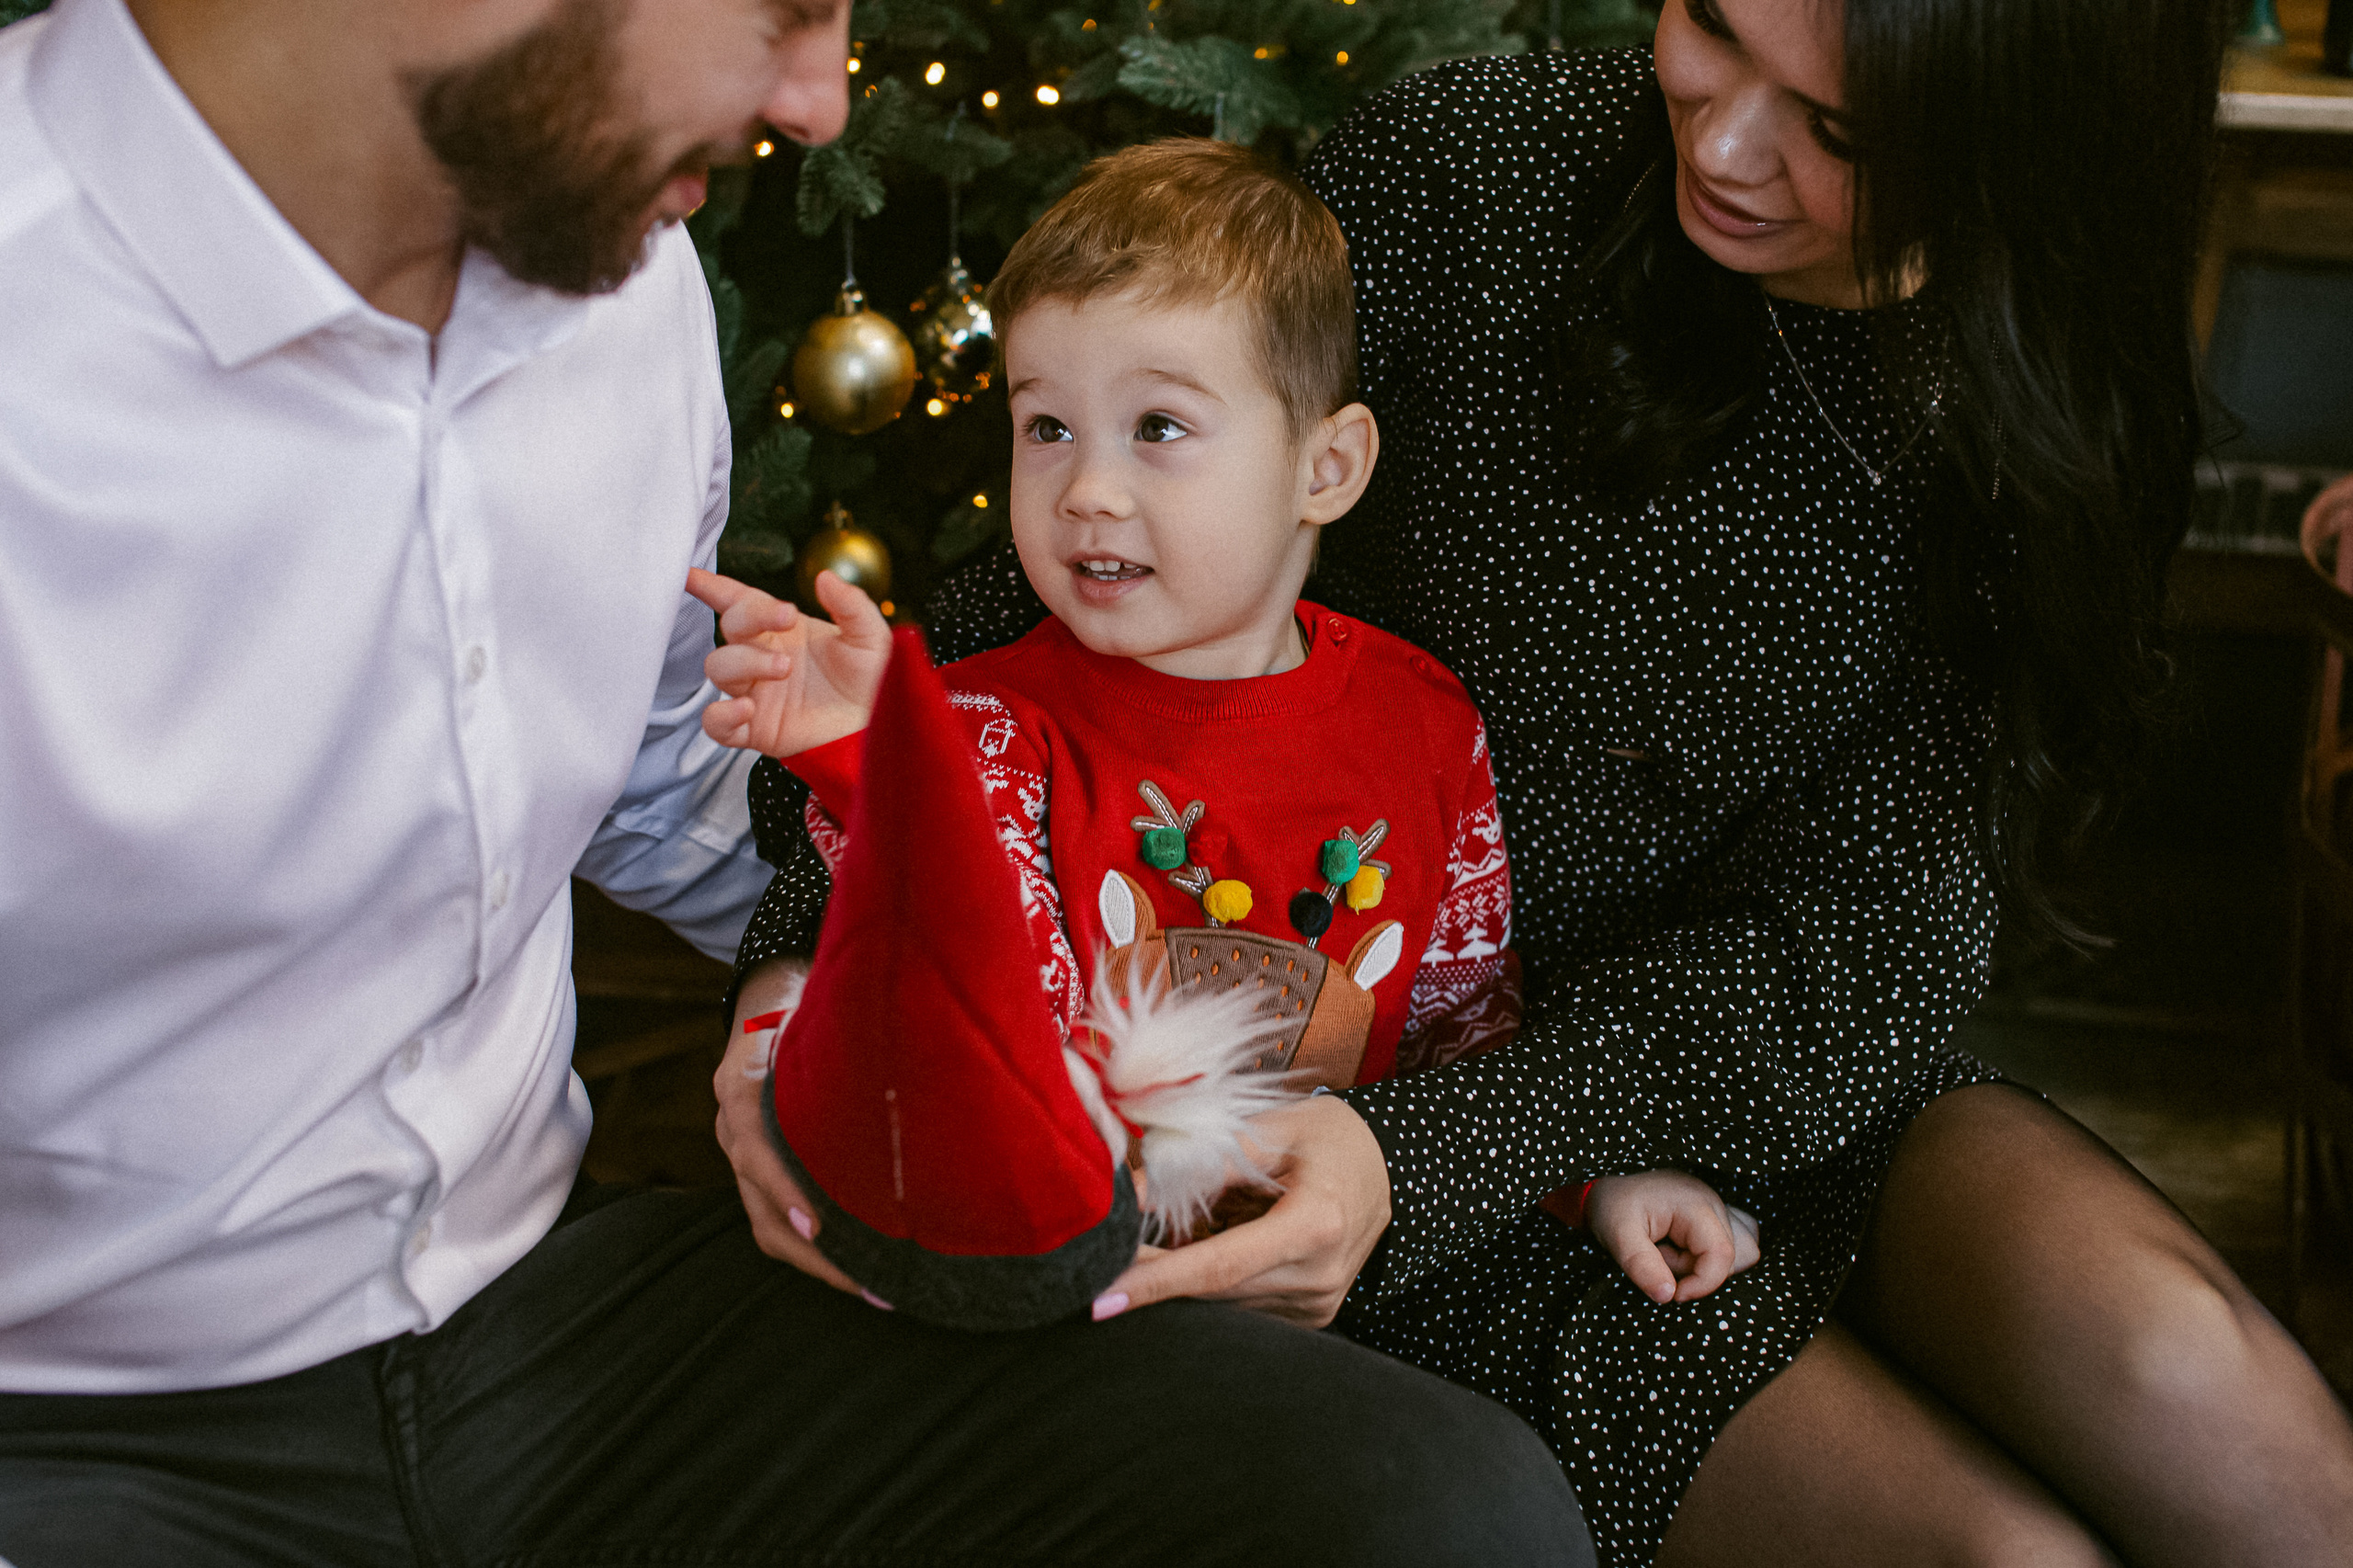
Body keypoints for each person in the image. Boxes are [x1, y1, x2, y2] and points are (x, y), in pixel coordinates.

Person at [736, 2, 2353, 1565]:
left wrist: (1521, 1126)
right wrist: (816, 989)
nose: (1720, 141)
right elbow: (980, 667)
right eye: (1712, 26)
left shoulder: (2030, 395)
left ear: (2024, 148)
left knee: (2203, 1375)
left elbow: (1887, 934)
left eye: (1838, 126)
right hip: (1340, 1133)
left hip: (1719, 1075)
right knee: (1997, 1555)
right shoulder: (1474, 175)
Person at [0, 2, 1595, 1564]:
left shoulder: (621, 285)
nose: (821, 101)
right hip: (78, 1414)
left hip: (559, 1321)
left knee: (1430, 1504)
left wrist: (808, 975)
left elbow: (669, 787)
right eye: (783, 6)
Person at [695, 138, 1764, 1314]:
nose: (1087, 487)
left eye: (1158, 427)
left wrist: (1584, 1177)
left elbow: (1466, 1020)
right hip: (1076, 1307)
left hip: (1341, 1290)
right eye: (1047, 426)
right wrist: (877, 765)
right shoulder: (985, 725)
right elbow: (984, 1010)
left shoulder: (1426, 719)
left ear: (1326, 465)